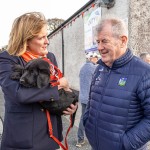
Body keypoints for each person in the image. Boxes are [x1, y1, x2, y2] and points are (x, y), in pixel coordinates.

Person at [0, 12, 77, 150]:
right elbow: (19, 94)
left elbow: (53, 95)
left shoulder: (50, 57)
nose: (47, 41)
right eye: (41, 37)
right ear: (25, 39)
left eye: (46, 36)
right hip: (23, 142)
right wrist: (59, 85)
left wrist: (68, 105)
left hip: (53, 139)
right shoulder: (7, 59)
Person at [83, 15, 150, 150]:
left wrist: (125, 143)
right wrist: (87, 123)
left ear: (123, 40)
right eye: (98, 42)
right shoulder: (99, 68)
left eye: (104, 41)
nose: (99, 47)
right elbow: (92, 102)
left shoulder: (144, 72)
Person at [76, 51, 99, 148]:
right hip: (91, 98)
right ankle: (89, 138)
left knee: (83, 118)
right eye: (96, 57)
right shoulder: (94, 68)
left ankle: (80, 139)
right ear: (91, 58)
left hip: (82, 97)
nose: (97, 59)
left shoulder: (82, 68)